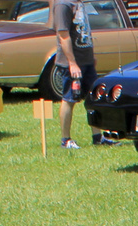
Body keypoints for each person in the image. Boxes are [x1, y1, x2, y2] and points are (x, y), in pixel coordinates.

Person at [52, 0, 111, 148]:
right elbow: (63, 35)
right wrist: (72, 63)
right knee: (69, 99)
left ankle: (98, 137)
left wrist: (91, 56)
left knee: (94, 97)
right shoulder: (63, 5)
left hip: (87, 61)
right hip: (71, 63)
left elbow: (84, 32)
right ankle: (65, 140)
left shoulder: (80, 3)